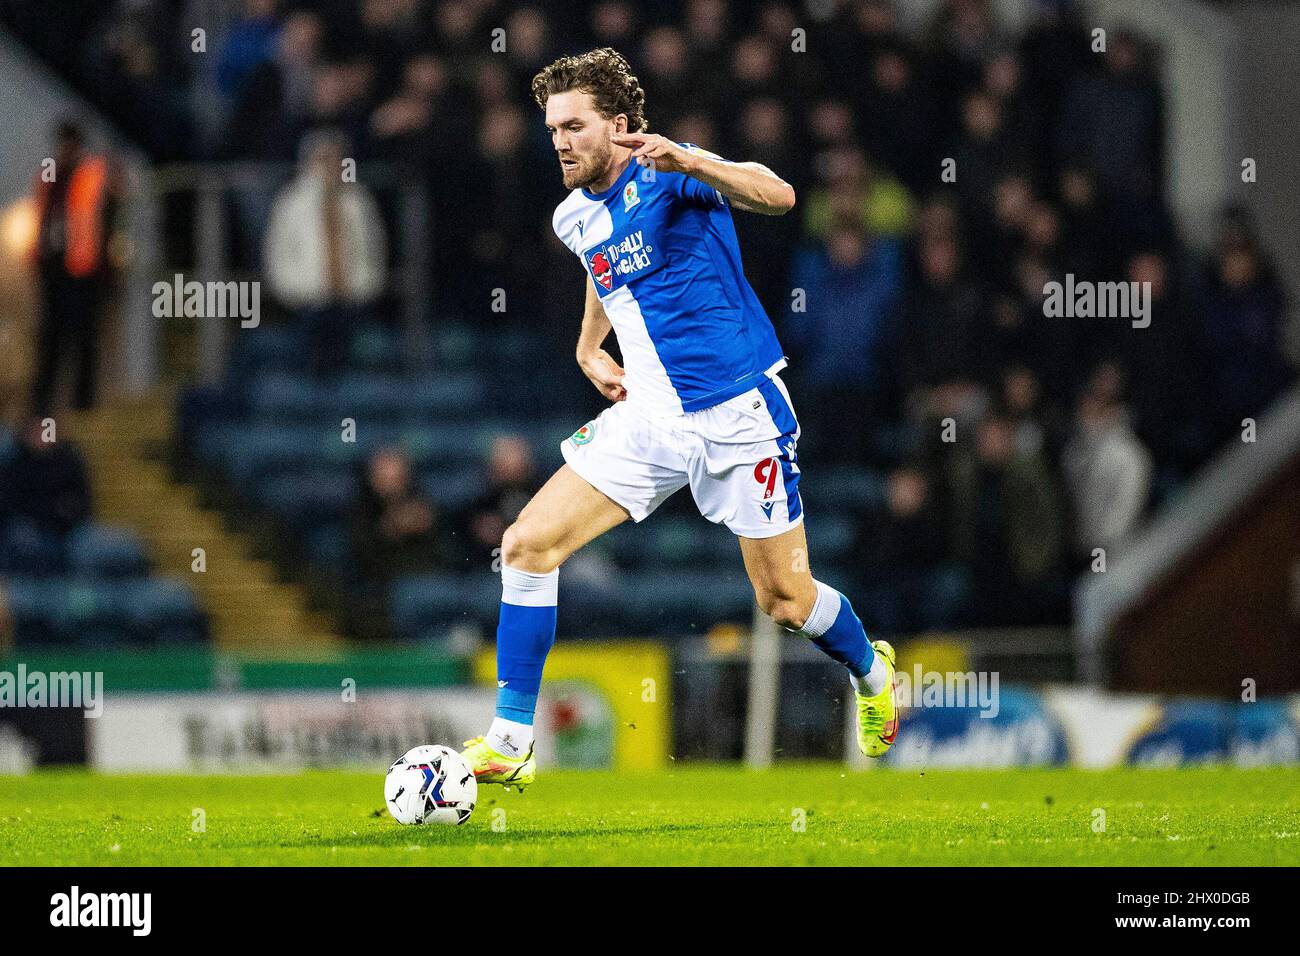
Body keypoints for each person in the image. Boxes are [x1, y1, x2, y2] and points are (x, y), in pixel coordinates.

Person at [460, 48, 899, 790]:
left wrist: (695, 163)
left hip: (736, 414)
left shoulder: (672, 171)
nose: (560, 141)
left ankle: (870, 669)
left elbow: (780, 195)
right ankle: (510, 740)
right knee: (526, 546)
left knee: (784, 602)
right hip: (649, 419)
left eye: (574, 125)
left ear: (621, 126)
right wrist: (586, 344)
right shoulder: (572, 216)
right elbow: (607, 268)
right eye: (551, 128)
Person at [262, 129, 387, 378]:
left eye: (336, 159)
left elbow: (374, 251)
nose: (331, 166)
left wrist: (362, 290)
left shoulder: (358, 201)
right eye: (324, 159)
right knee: (310, 350)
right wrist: (297, 293)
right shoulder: (291, 202)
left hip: (352, 303)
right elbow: (277, 255)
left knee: (355, 354)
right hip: (305, 304)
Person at [29, 121, 115, 414]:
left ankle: (82, 404)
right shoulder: (51, 174)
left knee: (83, 338)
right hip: (54, 266)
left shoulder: (91, 173)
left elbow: (104, 217)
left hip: (83, 269)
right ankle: (44, 402)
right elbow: (43, 213)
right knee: (51, 338)